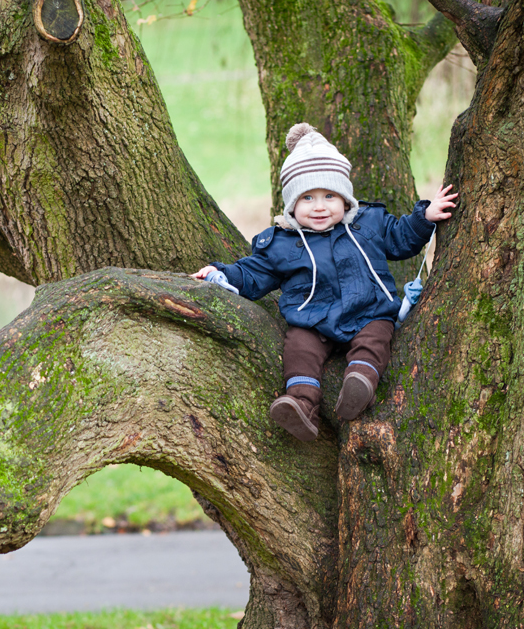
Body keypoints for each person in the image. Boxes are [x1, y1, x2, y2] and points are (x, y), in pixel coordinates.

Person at [191, 123, 457, 441]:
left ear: (345, 199)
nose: (319, 206)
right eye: (307, 198)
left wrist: (425, 217)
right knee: (299, 347)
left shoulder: (368, 223)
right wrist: (221, 274)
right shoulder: (282, 242)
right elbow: (254, 273)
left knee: (375, 338)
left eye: (329, 195)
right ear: (291, 205)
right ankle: (301, 404)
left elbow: (401, 239)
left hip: (368, 311)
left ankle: (360, 383)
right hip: (313, 320)